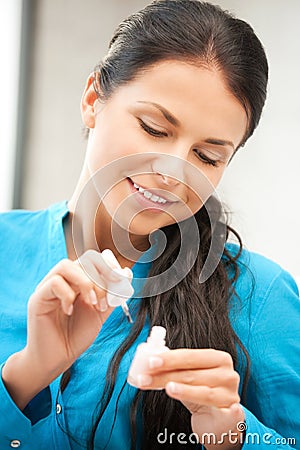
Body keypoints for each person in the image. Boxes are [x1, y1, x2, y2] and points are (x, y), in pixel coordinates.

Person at [0, 0, 299, 449]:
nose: (175, 171)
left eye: (207, 156)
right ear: (92, 100)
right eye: (154, 128)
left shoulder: (261, 295)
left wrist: (236, 436)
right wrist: (25, 376)